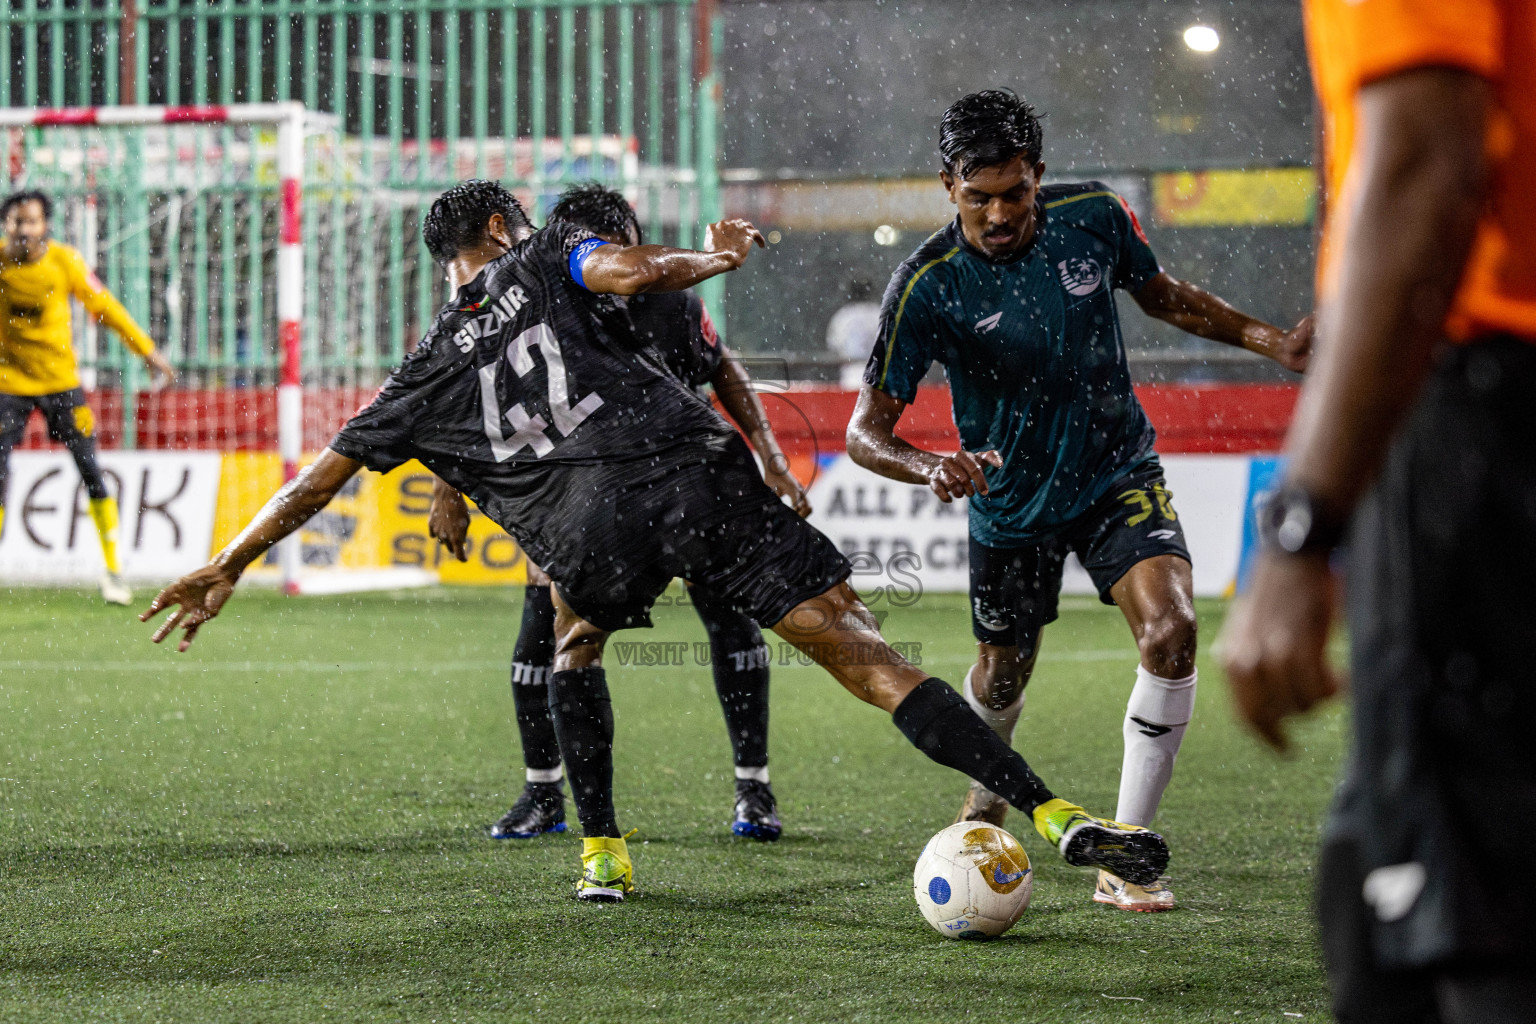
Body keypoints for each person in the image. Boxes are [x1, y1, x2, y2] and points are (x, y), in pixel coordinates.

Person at [142, 178, 1170, 903]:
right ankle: (1050, 810)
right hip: (685, 469)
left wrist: (227, 561)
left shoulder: (418, 370)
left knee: (571, 644)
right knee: (868, 656)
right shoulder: (550, 251)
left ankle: (601, 850)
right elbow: (625, 268)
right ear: (510, 222)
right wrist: (709, 258)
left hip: (584, 526)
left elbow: (323, 473)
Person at [846, 90, 1311, 912]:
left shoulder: (1094, 217)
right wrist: (929, 469)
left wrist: (1272, 340)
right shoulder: (926, 285)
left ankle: (1126, 853)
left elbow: (1164, 295)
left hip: (1113, 474)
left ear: (1040, 178)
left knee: (1172, 634)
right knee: (1000, 675)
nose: (998, 213)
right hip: (1011, 505)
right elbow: (864, 433)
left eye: (1015, 192)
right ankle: (989, 790)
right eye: (978, 194)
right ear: (947, 184)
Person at [1222, 1, 1536, 1018]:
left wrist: (1300, 526)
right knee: (1374, 900)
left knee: (1471, 925)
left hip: (1490, 420)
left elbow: (1421, 163)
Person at [427, 182, 811, 843]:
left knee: (729, 619)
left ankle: (753, 787)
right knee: (547, 639)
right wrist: (447, 490)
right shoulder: (529, 305)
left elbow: (724, 372)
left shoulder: (671, 305)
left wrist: (772, 460)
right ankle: (544, 796)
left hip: (681, 487)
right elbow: (469, 395)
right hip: (580, 498)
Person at [0, 190, 174, 604]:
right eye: (16, 222)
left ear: (46, 226)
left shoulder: (65, 262)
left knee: (90, 469)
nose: (23, 230)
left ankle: (114, 569)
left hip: (61, 383)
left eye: (31, 221)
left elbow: (106, 307)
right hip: (8, 386)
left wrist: (146, 350)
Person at [826, 279, 881, 389]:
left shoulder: (843, 316)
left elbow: (834, 346)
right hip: (878, 379)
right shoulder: (880, 314)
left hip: (851, 379)